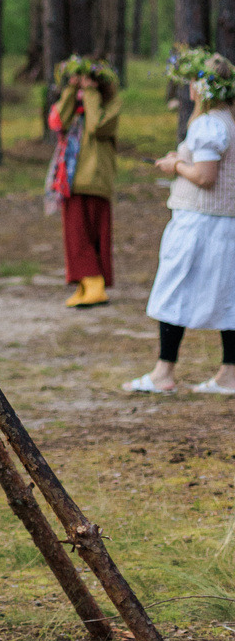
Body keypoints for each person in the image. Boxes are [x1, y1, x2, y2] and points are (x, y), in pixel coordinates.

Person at [127, 48, 235, 395]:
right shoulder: (229, 121)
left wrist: (175, 166)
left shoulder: (208, 124)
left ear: (202, 88)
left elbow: (205, 176)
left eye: (192, 81)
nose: (189, 88)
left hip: (201, 225)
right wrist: (179, 160)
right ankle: (228, 374)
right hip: (223, 224)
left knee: (175, 291)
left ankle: (164, 373)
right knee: (228, 297)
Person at [45, 56, 120, 308]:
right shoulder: (74, 101)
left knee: (93, 233)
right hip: (71, 179)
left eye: (88, 82)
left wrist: (90, 92)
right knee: (74, 234)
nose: (82, 87)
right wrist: (69, 90)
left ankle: (96, 283)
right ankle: (83, 283)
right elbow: (56, 121)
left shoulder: (111, 104)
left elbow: (97, 126)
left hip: (94, 178)